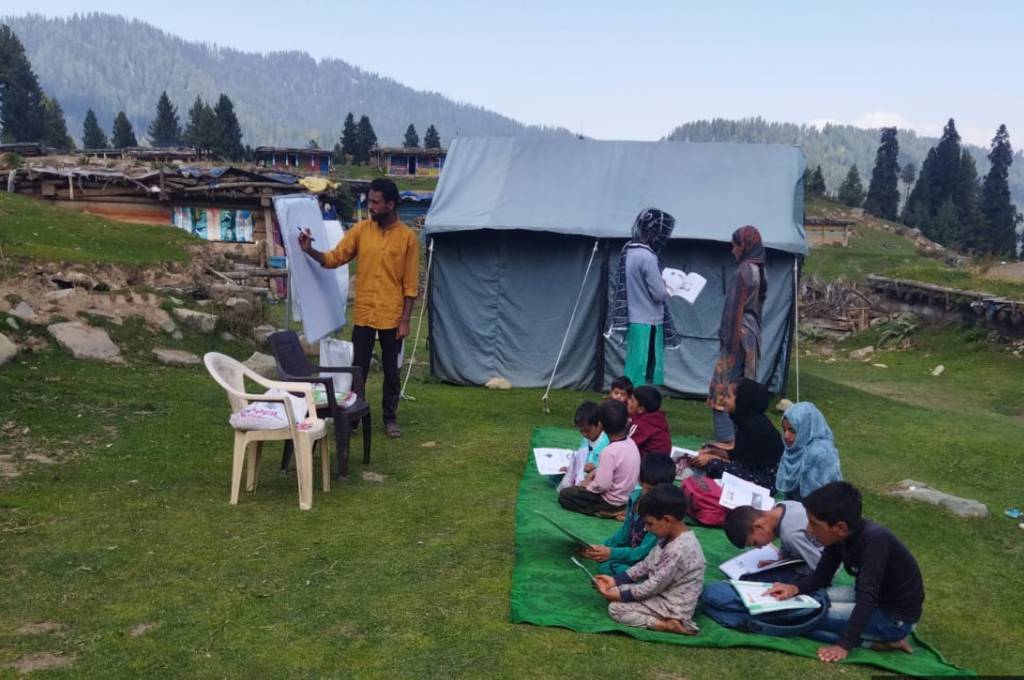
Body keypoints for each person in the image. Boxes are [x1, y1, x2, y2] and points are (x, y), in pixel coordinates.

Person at [298, 177, 419, 439]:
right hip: (364, 314)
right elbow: (335, 258)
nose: (370, 207)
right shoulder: (361, 230)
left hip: (392, 316)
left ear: (390, 204)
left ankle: (390, 417)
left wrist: (405, 320)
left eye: (375, 202)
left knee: (391, 371)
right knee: (358, 369)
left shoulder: (408, 238)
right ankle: (353, 416)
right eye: (369, 201)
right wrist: (310, 251)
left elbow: (410, 286)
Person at [765, 482, 924, 662]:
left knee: (804, 618)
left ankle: (881, 641)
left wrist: (844, 645)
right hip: (869, 598)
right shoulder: (840, 537)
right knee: (808, 603)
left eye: (814, 524)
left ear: (840, 527)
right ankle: (875, 636)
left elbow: (867, 597)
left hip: (893, 618)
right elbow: (822, 576)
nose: (808, 530)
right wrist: (794, 588)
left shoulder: (875, 541)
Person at [593, 483, 705, 635]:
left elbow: (653, 585)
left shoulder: (678, 549)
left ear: (667, 520)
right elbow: (647, 564)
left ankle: (667, 624)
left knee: (616, 608)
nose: (646, 528)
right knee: (615, 591)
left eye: (649, 523)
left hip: (672, 606)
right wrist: (616, 581)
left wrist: (621, 595)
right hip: (663, 593)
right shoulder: (668, 537)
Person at [605, 209, 683, 387]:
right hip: (649, 321)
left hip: (635, 318)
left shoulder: (629, 251)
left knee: (635, 365)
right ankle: (634, 404)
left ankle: (633, 403)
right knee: (641, 368)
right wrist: (669, 287)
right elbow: (658, 294)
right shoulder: (647, 257)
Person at [708, 225, 767, 449]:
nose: (732, 250)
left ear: (744, 246)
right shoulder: (760, 269)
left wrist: (728, 342)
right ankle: (738, 438)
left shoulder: (744, 271)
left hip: (738, 336)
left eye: (735, 245)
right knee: (740, 388)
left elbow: (733, 309)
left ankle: (727, 440)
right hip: (751, 335)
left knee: (722, 388)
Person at [581, 455, 677, 575]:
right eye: (650, 490)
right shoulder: (635, 498)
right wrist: (600, 549)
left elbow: (643, 552)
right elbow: (624, 533)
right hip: (633, 553)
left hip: (648, 561)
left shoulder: (662, 515)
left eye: (660, 491)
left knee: (609, 567)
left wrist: (611, 553)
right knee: (605, 563)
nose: (655, 497)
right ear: (640, 481)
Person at [690, 378, 783, 490]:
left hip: (765, 480)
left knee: (713, 465)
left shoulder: (755, 429)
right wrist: (712, 451)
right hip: (752, 469)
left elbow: (744, 466)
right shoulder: (747, 421)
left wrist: (711, 459)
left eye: (729, 397)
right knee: (709, 452)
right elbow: (738, 454)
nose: (724, 400)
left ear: (742, 401)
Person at [559, 400, 640, 518]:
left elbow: (602, 485)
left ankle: (608, 513)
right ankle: (620, 509)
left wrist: (587, 486)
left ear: (601, 424)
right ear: (627, 422)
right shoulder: (631, 443)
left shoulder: (609, 451)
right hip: (628, 496)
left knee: (566, 495)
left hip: (611, 502)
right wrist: (595, 473)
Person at [722, 501, 823, 582]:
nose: (759, 548)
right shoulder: (780, 506)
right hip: (816, 552)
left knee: (757, 579)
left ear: (758, 526)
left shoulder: (791, 535)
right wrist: (781, 561)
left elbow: (825, 569)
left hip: (829, 559)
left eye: (755, 543)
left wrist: (789, 568)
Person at [775, 402, 843, 501]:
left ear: (806, 428)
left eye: (792, 431)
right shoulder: (794, 448)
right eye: (784, 430)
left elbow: (819, 499)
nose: (786, 436)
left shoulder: (821, 454)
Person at [554, 401, 610, 490]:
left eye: (587, 430)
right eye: (581, 431)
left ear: (599, 424)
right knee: (556, 476)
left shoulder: (607, 442)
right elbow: (580, 459)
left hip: (597, 477)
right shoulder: (585, 440)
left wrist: (595, 467)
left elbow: (609, 467)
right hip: (582, 474)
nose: (584, 434)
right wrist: (570, 468)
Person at [627, 385, 672, 459]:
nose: (628, 402)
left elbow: (624, 445)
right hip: (661, 465)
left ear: (641, 409)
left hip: (646, 467)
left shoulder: (641, 425)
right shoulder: (657, 419)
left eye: (632, 400)